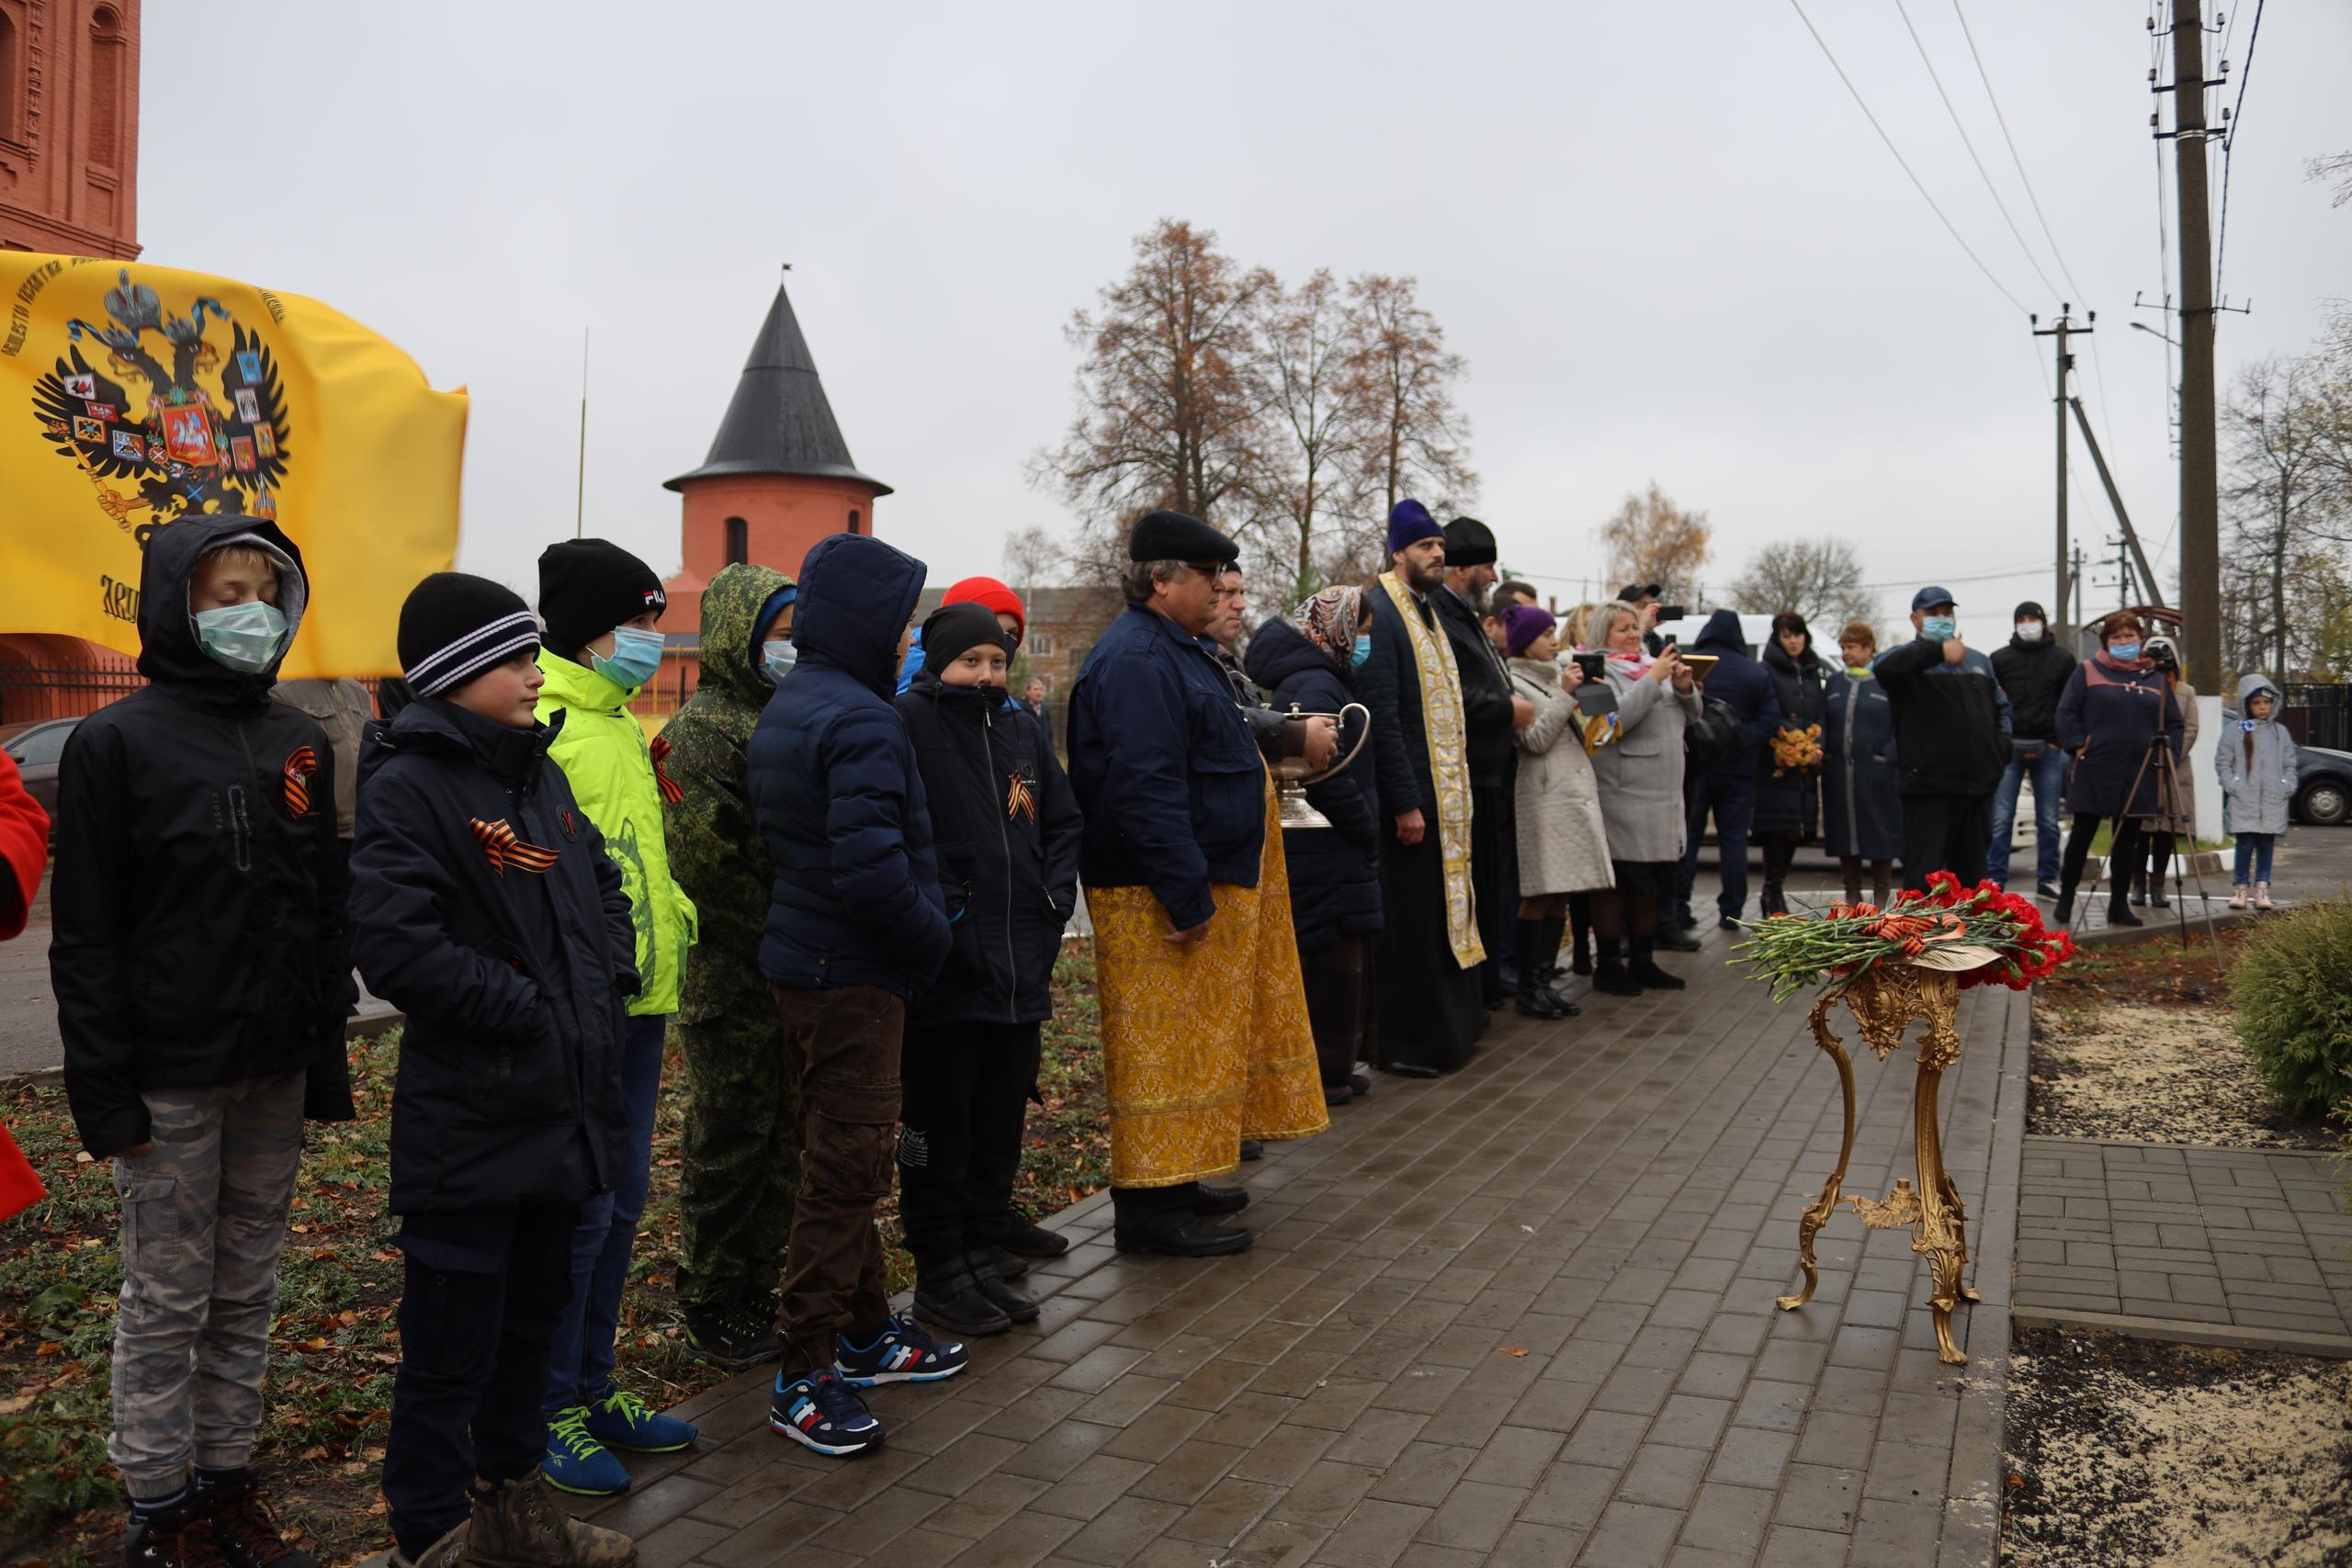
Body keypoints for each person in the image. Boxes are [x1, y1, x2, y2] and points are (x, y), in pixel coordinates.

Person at [52, 516, 353, 1568]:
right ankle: (159, 1504)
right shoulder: (114, 744)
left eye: (264, 592)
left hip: (271, 1069)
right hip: (169, 1078)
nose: (248, 613)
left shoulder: (297, 739)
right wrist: (107, 1097)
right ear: (177, 601)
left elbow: (323, 910)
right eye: (224, 593)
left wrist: (324, 1056)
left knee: (248, 1286)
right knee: (169, 1293)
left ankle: (227, 1484)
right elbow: (86, 938)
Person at [353, 571, 636, 1568]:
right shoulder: (409, 783)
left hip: (558, 1113)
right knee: (450, 1351)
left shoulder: (535, 770)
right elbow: (397, 947)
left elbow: (596, 880)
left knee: (529, 1333)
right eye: (515, 658)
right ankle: (431, 1533)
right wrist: (528, 1010)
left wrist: (608, 973)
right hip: (471, 1123)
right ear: (460, 672)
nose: (533, 672)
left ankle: (516, 1517)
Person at [749, 533, 966, 1457]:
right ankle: (806, 1369)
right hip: (855, 975)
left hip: (809, 964)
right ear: (869, 622)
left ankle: (870, 1332)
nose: (907, 638)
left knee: (849, 1150)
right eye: (902, 621)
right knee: (845, 1172)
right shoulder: (865, 719)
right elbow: (873, 873)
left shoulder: (798, 700)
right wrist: (934, 938)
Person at [1065, 512, 1329, 1250]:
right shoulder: (1138, 660)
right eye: (1208, 575)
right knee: (1159, 1053)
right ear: (1161, 580)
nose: (1221, 588)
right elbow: (1144, 786)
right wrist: (1185, 892)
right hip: (1152, 894)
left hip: (1185, 880)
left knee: (1194, 1046)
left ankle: (1180, 1178)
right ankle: (1150, 1213)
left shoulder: (1177, 651)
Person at [528, 538, 701, 1494]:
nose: (651, 636)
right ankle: (549, 1402)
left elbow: (640, 860)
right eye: (636, 621)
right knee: (583, 1212)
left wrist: (675, 927)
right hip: (585, 1013)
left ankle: (594, 1384)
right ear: (589, 629)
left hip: (643, 1004)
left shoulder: (623, 723)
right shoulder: (549, 721)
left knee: (625, 1203)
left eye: (652, 617)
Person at [893, 603, 1082, 1333]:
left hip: (1019, 969)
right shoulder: (910, 726)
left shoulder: (1021, 729)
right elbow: (909, 833)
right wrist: (949, 911)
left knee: (998, 1119)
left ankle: (978, 1251)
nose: (986, 674)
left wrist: (1052, 897)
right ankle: (938, 1266)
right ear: (938, 661)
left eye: (998, 661)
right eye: (970, 660)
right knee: (939, 1126)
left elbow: (1061, 820)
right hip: (950, 972)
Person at [662, 564, 802, 1371]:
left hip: (786, 972)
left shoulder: (779, 716)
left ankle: (759, 1284)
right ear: (737, 637)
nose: (788, 649)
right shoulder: (703, 731)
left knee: (783, 1137)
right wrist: (788, 931)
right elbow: (708, 869)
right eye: (777, 635)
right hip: (733, 976)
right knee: (730, 1139)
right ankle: (713, 1296)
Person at [1358, 501, 1487, 1075]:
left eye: (1440, 545)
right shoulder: (1384, 612)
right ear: (1398, 552)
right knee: (1410, 924)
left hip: (1446, 801)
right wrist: (1405, 801)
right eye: (1425, 546)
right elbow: (1381, 717)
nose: (1437, 554)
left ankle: (1451, 1032)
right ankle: (1406, 1045)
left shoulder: (1429, 610)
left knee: (1441, 916)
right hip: (1412, 806)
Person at [1244, 587, 1383, 1106]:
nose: (1365, 641)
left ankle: (1336, 1068)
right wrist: (1364, 824)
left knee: (1338, 959)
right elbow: (1321, 770)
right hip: (1326, 844)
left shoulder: (1320, 676)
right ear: (1338, 629)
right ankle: (1324, 1074)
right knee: (1328, 964)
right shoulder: (1315, 684)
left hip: (1328, 847)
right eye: (1361, 630)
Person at [1435, 516, 1534, 1007]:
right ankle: (1487, 982)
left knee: (1494, 887)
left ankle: (1493, 979)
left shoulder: (1462, 616)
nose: (1494, 577)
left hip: (1490, 773)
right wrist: (1505, 708)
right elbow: (1451, 696)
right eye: (1487, 567)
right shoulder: (1443, 617)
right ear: (1463, 570)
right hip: (1472, 773)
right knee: (1482, 889)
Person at [1585, 601, 1703, 993]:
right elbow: (1606, 728)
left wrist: (1685, 689)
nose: (1634, 635)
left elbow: (1691, 715)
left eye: (1635, 627)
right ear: (1602, 634)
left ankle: (1643, 960)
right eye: (1622, 629)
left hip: (1664, 794)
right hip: (1622, 793)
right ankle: (1609, 966)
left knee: (1650, 884)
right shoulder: (1592, 669)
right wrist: (1652, 679)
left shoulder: (1651, 664)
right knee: (1618, 884)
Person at [1499, 604, 1611, 1019]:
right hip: (1541, 797)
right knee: (1539, 892)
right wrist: (1566, 695)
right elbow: (1536, 740)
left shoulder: (1554, 676)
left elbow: (1586, 730)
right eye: (1544, 633)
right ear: (1525, 640)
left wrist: (1592, 698)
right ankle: (1529, 986)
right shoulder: (1513, 680)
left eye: (1552, 632)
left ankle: (1545, 981)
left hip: (1569, 795)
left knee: (1559, 893)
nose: (1553, 640)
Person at [1873, 587, 2011, 891]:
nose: (1942, 618)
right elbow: (1882, 668)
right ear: (1915, 619)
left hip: (1977, 789)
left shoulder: (1979, 661)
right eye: (1932, 613)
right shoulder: (1905, 661)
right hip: (1928, 790)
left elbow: (2002, 710)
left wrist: (2001, 750)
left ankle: (1967, 939)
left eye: (1947, 612)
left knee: (1972, 886)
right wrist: (1937, 652)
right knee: (1923, 883)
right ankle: (1920, 938)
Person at [2050, 613, 2183, 928]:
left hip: (2140, 771)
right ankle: (2066, 898)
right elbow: (2066, 713)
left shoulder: (2155, 677)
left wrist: (2169, 757)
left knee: (2128, 841)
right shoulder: (2088, 670)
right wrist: (2080, 745)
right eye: (2117, 638)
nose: (2124, 643)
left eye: (2130, 637)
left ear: (2140, 640)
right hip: (2095, 767)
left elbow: (2175, 724)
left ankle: (2119, 905)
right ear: (2106, 642)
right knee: (2082, 835)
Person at [1679, 608, 1781, 930]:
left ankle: (1679, 908)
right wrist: (1739, 741)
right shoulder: (1754, 673)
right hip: (1738, 770)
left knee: (1689, 838)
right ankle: (1732, 910)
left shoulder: (1692, 666)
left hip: (1696, 766)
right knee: (1734, 840)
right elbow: (1770, 720)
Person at [1986, 601, 2075, 897]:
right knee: (2001, 817)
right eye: (2021, 619)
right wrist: (2000, 739)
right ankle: (1995, 878)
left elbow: (2069, 704)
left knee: (2049, 819)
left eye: (2032, 618)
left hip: (2048, 748)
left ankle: (2048, 878)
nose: (2027, 623)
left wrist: (2058, 739)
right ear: (2015, 624)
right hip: (2008, 748)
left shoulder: (2062, 660)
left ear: (2043, 622)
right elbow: (1991, 703)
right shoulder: (1999, 660)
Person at [1754, 613, 1828, 918]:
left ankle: (1775, 887)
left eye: (1797, 634)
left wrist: (1816, 745)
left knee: (1797, 829)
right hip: (1777, 764)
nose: (1793, 641)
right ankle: (1772, 891)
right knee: (1777, 828)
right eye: (1786, 635)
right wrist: (1792, 740)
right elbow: (1768, 707)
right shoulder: (1767, 670)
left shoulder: (1812, 671)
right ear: (1777, 639)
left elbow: (1822, 713)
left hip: (1806, 766)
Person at [1822, 621, 1901, 908]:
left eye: (1851, 647)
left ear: (1869, 648)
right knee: (1846, 832)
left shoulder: (1886, 682)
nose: (1845, 653)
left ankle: (1881, 894)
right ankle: (1851, 894)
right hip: (1840, 775)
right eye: (1843, 647)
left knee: (1880, 831)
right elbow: (1823, 722)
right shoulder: (1834, 683)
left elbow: (1900, 724)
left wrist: (1888, 754)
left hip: (1878, 776)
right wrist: (1822, 749)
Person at [2216, 672, 2298, 910]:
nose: (2262, 707)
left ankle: (2262, 889)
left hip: (2273, 800)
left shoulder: (2280, 733)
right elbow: (2223, 761)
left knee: (2266, 846)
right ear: (2246, 704)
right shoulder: (2235, 730)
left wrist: (2286, 785)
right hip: (2245, 800)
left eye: (2266, 702)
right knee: (2244, 845)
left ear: (2273, 704)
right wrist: (2234, 785)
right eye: (2256, 703)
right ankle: (2240, 888)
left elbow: (2290, 763)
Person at [2131, 633, 2199, 909]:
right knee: (2141, 830)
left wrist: (2171, 755)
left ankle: (2158, 886)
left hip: (2174, 770)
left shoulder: (2186, 692)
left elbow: (2191, 728)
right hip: (2143, 768)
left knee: (2164, 832)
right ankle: (2137, 885)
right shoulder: (2138, 686)